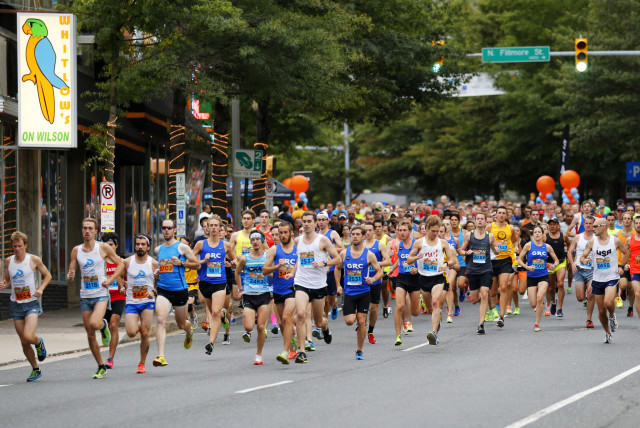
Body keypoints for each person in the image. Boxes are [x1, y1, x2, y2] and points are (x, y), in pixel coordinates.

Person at [67, 218, 123, 379]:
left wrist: (111, 280)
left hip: (101, 293)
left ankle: (104, 325)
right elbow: (71, 273)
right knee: (90, 334)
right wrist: (70, 276)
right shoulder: (76, 250)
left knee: (94, 323)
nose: (87, 231)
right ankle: (100, 366)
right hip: (85, 295)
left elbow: (120, 265)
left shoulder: (103, 247)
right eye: (84, 228)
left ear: (96, 231)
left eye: (90, 228)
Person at [290, 212, 342, 363]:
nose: (306, 224)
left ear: (315, 224)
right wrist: (292, 272)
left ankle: (325, 329)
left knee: (319, 322)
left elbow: (338, 259)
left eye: (309, 221)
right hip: (301, 283)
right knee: (300, 314)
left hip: (319, 285)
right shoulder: (297, 241)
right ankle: (301, 351)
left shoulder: (323, 240)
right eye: (303, 222)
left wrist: (324, 264)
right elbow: (298, 260)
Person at [0, 231, 52, 382]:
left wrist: (41, 288)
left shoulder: (33, 260)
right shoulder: (9, 261)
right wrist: (5, 284)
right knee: (23, 341)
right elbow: (8, 280)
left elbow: (48, 275)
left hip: (31, 304)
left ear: (25, 245)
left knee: (29, 336)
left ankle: (39, 342)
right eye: (14, 246)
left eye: (19, 246)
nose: (17, 249)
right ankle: (35, 369)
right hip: (16, 304)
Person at [152, 219, 199, 367]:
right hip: (163, 290)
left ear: (174, 230)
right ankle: (161, 356)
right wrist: (157, 272)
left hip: (180, 290)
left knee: (180, 324)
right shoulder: (158, 250)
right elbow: (162, 267)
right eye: (164, 228)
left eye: (169, 228)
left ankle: (188, 330)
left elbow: (197, 265)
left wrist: (182, 263)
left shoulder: (182, 248)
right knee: (160, 320)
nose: (166, 230)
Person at [407, 216, 459, 345]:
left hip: (438, 278)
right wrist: (416, 257)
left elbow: (452, 260)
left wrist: (446, 265)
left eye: (438, 231)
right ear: (427, 229)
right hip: (423, 278)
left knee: (436, 302)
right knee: (430, 309)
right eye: (433, 231)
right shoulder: (419, 243)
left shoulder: (443, 243)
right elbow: (408, 259)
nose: (436, 234)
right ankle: (437, 317)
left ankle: (434, 333)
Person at [336, 226, 383, 359]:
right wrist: (338, 285)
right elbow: (337, 268)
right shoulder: (344, 253)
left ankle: (359, 350)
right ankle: (357, 315)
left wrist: (373, 278)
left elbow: (380, 271)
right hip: (349, 293)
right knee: (350, 321)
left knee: (361, 321)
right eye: (353, 234)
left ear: (363, 237)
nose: (355, 236)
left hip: (364, 292)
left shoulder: (369, 255)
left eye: (357, 234)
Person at [580, 218, 629, 343]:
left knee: (608, 302)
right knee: (601, 311)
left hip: (611, 277)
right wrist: (584, 260)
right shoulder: (592, 242)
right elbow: (583, 256)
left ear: (603, 227)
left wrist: (621, 267)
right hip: (597, 278)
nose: (593, 228)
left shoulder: (615, 241)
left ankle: (612, 316)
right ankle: (607, 332)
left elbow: (626, 253)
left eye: (595, 226)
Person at [193, 215, 235, 355]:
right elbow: (192, 261)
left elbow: (235, 260)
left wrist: (232, 264)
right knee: (212, 311)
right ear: (206, 228)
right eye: (210, 225)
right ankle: (223, 317)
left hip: (220, 282)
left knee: (215, 312)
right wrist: (202, 262)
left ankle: (211, 342)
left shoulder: (226, 245)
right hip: (205, 283)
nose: (213, 228)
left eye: (216, 226)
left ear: (220, 228)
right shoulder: (200, 244)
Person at [235, 230, 272, 365]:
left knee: (261, 327)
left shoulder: (268, 257)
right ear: (251, 242)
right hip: (249, 295)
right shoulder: (245, 258)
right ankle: (248, 332)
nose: (255, 241)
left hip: (264, 294)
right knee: (249, 327)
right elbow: (237, 273)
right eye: (253, 239)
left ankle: (258, 355)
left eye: (258, 239)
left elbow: (273, 272)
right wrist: (240, 289)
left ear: (262, 241)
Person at [459, 212, 500, 335]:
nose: (480, 221)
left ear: (486, 221)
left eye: (482, 219)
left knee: (484, 294)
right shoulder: (469, 235)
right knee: (474, 299)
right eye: (478, 219)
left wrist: (497, 250)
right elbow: (461, 250)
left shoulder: (490, 236)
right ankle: (485, 309)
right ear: (475, 221)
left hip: (486, 269)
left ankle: (481, 323)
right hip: (472, 270)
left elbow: (496, 250)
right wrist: (466, 253)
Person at [122, 234, 157, 373]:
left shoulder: (153, 263)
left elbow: (163, 280)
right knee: (131, 332)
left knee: (145, 333)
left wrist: (154, 292)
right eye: (138, 244)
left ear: (148, 247)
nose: (140, 247)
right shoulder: (127, 262)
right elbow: (119, 274)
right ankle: (137, 325)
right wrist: (122, 285)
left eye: (143, 244)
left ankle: (142, 364)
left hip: (147, 302)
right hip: (132, 301)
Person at [264, 222, 298, 364]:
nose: (282, 235)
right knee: (282, 323)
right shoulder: (274, 250)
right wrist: (278, 266)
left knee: (286, 317)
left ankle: (286, 351)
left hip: (294, 288)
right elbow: (265, 270)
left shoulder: (298, 249)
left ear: (291, 233)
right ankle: (292, 343)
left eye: (285, 232)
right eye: (279, 233)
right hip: (278, 289)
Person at [517, 226, 560, 332]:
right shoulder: (528, 245)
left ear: (542, 234)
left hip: (543, 276)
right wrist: (527, 267)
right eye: (535, 232)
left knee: (540, 298)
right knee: (533, 303)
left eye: (539, 232)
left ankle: (537, 323)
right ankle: (540, 305)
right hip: (531, 277)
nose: (537, 234)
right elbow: (519, 259)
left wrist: (553, 265)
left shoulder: (547, 247)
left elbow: (556, 260)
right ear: (533, 235)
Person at [387, 221, 420, 346]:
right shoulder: (398, 245)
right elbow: (401, 261)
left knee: (415, 312)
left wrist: (417, 269)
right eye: (399, 230)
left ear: (410, 231)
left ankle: (419, 300)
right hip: (401, 278)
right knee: (399, 306)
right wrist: (392, 268)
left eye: (404, 230)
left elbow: (423, 259)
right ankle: (398, 336)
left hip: (415, 278)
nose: (402, 233)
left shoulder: (416, 244)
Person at [489, 206, 518, 327]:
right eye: (499, 213)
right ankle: (492, 308)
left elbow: (515, 240)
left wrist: (514, 247)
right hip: (492, 260)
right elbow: (484, 240)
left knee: (504, 286)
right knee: (493, 290)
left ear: (506, 215)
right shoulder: (490, 227)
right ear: (496, 215)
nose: (501, 215)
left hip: (505, 260)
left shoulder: (510, 228)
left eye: (503, 213)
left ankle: (501, 316)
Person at [363, 222, 390, 344]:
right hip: (361, 281)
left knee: (373, 308)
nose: (368, 232)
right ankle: (362, 323)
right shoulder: (359, 245)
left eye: (370, 230)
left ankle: (370, 332)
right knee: (361, 307)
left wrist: (376, 263)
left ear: (374, 231)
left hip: (375, 280)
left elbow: (388, 261)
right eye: (366, 230)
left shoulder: (379, 245)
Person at [100, 232, 125, 369]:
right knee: (100, 323)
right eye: (105, 245)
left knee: (114, 325)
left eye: (110, 245)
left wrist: (122, 287)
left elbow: (123, 277)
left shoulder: (121, 261)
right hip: (102, 297)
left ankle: (110, 358)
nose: (108, 248)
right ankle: (103, 329)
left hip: (117, 297)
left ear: (115, 246)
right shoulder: (99, 262)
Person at [567, 215, 596, 328]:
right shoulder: (578, 237)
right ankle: (584, 290)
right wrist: (573, 263)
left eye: (591, 223)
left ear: (594, 225)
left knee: (590, 295)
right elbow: (569, 252)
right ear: (584, 225)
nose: (589, 225)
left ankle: (589, 319)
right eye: (587, 223)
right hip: (579, 269)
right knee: (580, 298)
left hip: (592, 270)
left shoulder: (596, 238)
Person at [316, 211, 345, 324]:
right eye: (319, 220)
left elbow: (342, 248)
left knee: (331, 300)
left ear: (328, 221)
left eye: (324, 219)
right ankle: (323, 321)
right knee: (323, 299)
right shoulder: (315, 235)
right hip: (319, 270)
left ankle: (334, 306)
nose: (321, 222)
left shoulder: (332, 233)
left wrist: (328, 249)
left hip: (331, 270)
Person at [545, 218, 570, 317]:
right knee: (551, 287)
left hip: (561, 262)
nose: (551, 226)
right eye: (550, 224)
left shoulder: (563, 236)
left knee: (560, 284)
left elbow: (570, 245)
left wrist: (568, 257)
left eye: (554, 224)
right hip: (549, 264)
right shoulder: (545, 237)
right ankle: (553, 302)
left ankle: (560, 308)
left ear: (558, 226)